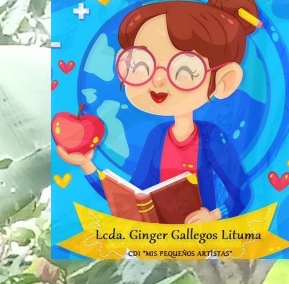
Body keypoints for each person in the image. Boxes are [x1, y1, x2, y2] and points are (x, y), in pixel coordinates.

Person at [55, 5, 263, 225]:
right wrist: (87, 166)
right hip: (158, 235)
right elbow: (134, 196)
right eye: (141, 65)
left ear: (224, 80)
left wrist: (213, 215)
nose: (158, 80)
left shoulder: (211, 137)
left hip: (201, 237)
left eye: (184, 70)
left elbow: (241, 194)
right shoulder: (158, 136)